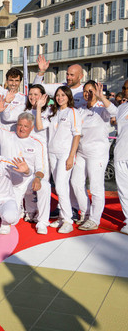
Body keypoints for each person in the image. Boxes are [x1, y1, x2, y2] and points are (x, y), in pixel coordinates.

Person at [0, 97, 51, 234]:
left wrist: (37, 178)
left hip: (28, 181)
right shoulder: (6, 136)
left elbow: (40, 168)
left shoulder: (37, 143)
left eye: (26, 126)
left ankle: (42, 222)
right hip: (10, 184)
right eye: (20, 125)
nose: (22, 128)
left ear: (31, 128)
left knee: (46, 185)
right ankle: (14, 212)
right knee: (11, 219)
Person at [70, 81, 117, 230]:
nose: (87, 94)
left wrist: (101, 97)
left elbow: (115, 112)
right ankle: (85, 212)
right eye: (85, 91)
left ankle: (95, 219)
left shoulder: (102, 109)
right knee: (76, 183)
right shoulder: (81, 110)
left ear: (96, 92)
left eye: (91, 91)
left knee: (96, 187)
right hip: (81, 152)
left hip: (97, 154)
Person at [36, 86, 81, 233]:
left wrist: (71, 156)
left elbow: (77, 135)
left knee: (61, 187)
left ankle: (68, 220)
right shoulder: (53, 112)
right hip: (52, 154)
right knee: (60, 187)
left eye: (63, 95)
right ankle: (62, 217)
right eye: (58, 95)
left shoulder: (72, 112)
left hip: (65, 154)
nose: (60, 98)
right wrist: (38, 108)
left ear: (68, 96)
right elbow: (40, 125)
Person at [115, 79, 128, 234]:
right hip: (121, 153)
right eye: (123, 88)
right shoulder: (122, 107)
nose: (125, 91)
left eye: (127, 88)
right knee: (124, 190)